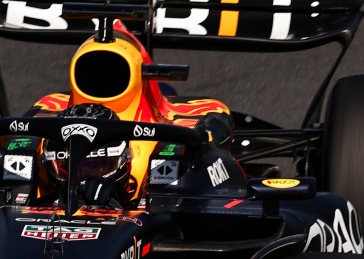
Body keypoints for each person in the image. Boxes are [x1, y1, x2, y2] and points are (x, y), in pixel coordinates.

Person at [29, 21, 233, 202]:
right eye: (68, 165)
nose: (83, 178)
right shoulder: (45, 137)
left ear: (124, 158)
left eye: (97, 165)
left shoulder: (154, 155)